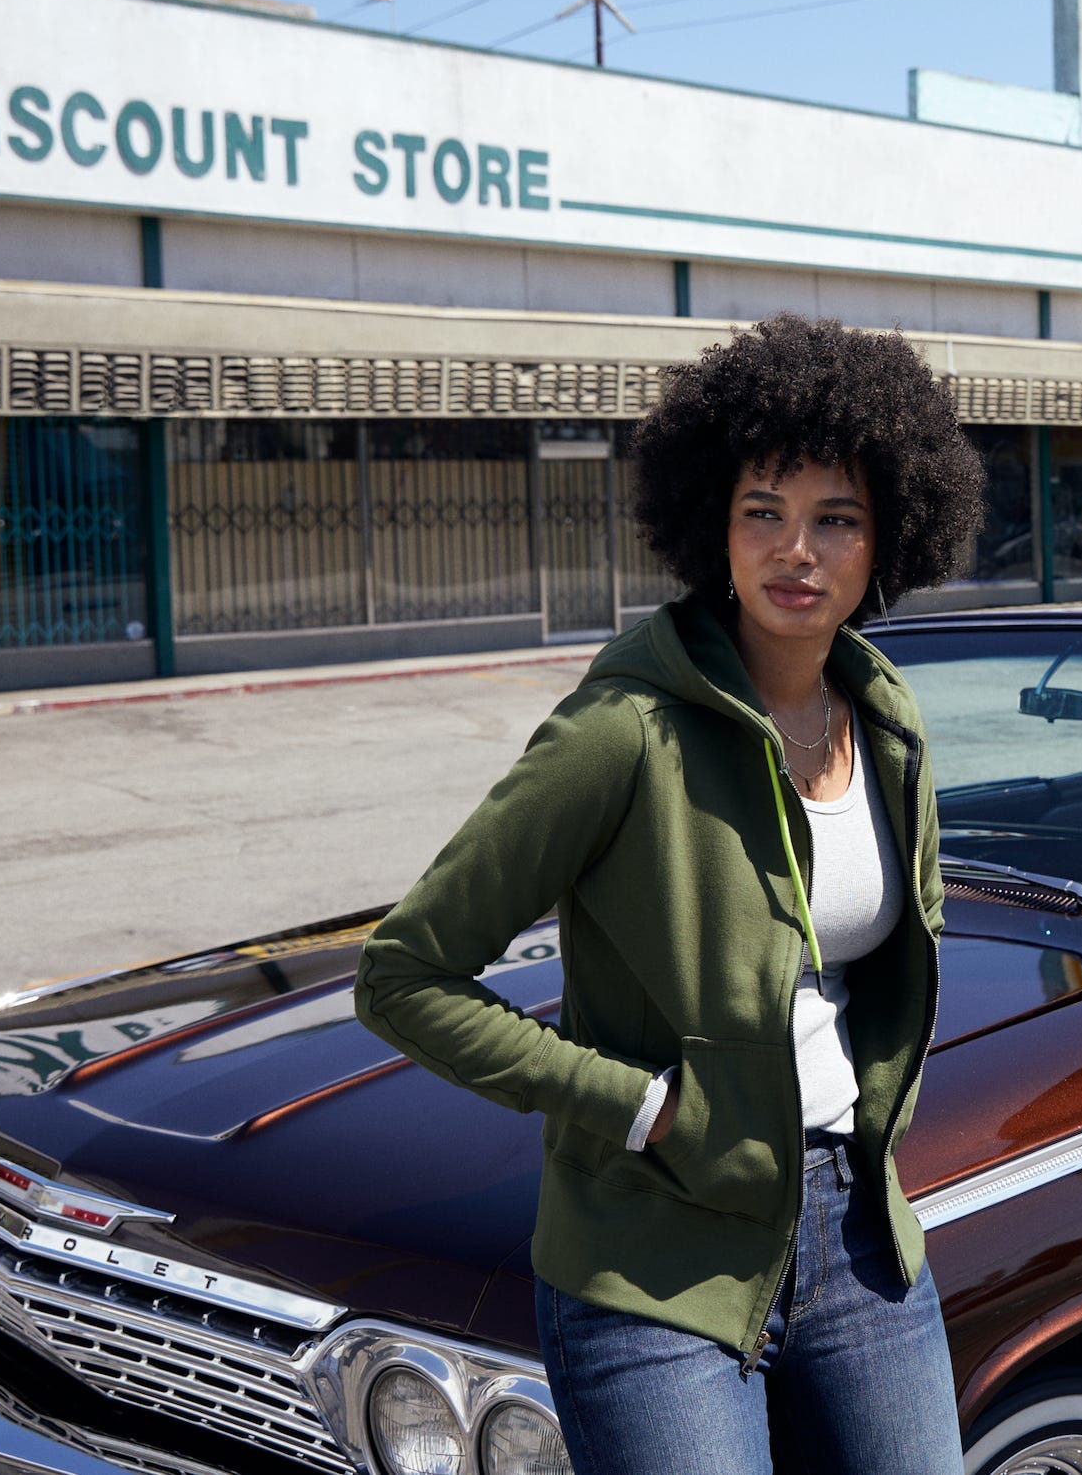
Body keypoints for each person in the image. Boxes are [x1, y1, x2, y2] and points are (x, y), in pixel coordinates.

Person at [355, 314, 987, 1475]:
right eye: (764, 512)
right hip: (651, 1256)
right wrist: (638, 1106)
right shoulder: (621, 728)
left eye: (834, 518)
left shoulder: (886, 715)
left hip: (853, 1228)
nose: (796, 551)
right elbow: (404, 977)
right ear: (715, 525)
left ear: (886, 533)